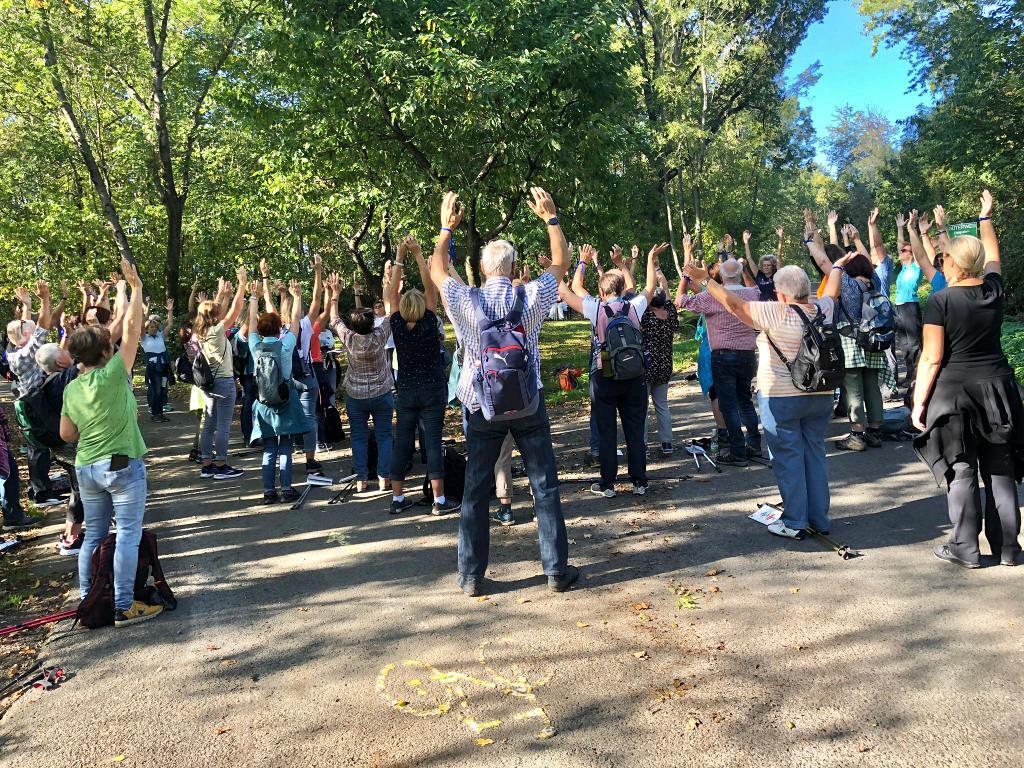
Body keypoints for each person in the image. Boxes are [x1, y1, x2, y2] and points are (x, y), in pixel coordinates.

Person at [430, 187, 576, 597]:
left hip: (481, 405)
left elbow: (437, 269)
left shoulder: (464, 298)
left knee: (475, 490)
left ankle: (471, 577)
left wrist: (445, 228)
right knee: (544, 485)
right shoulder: (532, 295)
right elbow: (561, 261)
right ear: (513, 268)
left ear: (481, 267)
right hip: (528, 401)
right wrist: (550, 219)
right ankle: (555, 571)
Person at [686, 258, 836, 540]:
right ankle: (819, 518)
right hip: (821, 394)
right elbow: (833, 289)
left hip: (782, 398)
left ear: (781, 293)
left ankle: (795, 521)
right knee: (815, 454)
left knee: (788, 458)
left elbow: (734, 305)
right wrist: (836, 267)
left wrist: (706, 280)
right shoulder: (822, 308)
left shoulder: (774, 312)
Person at [913, 191, 1022, 568]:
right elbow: (994, 257)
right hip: (998, 390)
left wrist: (918, 403)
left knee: (961, 470)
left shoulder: (940, 301)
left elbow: (932, 358)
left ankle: (965, 548)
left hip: (954, 394)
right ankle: (1009, 549)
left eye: (944, 257)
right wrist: (985, 217)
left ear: (952, 263)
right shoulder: (993, 290)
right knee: (1001, 470)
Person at [59, 258, 163, 627]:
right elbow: (132, 329)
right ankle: (122, 605)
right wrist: (135, 287)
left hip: (86, 468)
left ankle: (89, 599)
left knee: (93, 536)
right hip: (121, 466)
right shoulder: (116, 373)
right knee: (128, 535)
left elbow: (66, 435)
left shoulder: (72, 388)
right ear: (106, 353)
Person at [560, 241, 665, 497]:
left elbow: (567, 291)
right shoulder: (634, 305)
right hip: (635, 376)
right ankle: (639, 481)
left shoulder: (596, 307)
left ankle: (608, 484)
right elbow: (650, 287)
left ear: (601, 290)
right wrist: (649, 259)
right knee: (635, 430)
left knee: (606, 431)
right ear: (621, 288)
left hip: (604, 375)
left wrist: (575, 262)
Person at [382, 237, 461, 517]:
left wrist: (400, 256)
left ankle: (397, 498)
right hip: (432, 389)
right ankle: (439, 501)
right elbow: (430, 288)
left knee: (402, 442)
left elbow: (392, 294)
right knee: (433, 442)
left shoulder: (396, 324)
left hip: (406, 391)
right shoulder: (429, 321)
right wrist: (418, 255)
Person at [676, 241, 762, 466]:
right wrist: (744, 270)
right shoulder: (752, 294)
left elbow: (680, 301)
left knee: (728, 404)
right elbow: (755, 287)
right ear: (740, 275)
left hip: (723, 355)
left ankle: (737, 451)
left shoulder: (711, 296)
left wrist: (686, 276)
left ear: (721, 277)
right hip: (747, 354)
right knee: (745, 400)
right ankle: (754, 444)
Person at [246, 279, 309, 504]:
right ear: (278, 327)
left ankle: (268, 491)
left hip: (263, 404)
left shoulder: (255, 346)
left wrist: (254, 297)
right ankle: (286, 489)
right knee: (285, 446)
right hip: (285, 400)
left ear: (261, 329)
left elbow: (251, 324)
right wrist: (297, 296)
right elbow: (296, 321)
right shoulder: (285, 345)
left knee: (269, 448)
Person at [330, 278, 394, 494]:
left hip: (356, 396)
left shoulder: (349, 338)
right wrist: (389, 287)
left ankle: (361, 479)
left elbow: (334, 319)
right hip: (381, 392)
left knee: (358, 437)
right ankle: (384, 477)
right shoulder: (380, 335)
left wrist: (335, 294)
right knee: (384, 436)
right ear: (372, 323)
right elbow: (391, 313)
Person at [819, 250, 888, 451]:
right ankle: (875, 432)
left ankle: (856, 435)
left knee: (853, 388)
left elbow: (824, 262)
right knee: (872, 386)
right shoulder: (875, 282)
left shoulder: (847, 283)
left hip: (850, 339)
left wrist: (810, 243)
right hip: (873, 339)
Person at [6, 282, 62, 508]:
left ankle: (37, 488)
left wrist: (27, 306)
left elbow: (25, 329)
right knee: (39, 447)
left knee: (35, 446)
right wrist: (45, 299)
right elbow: (43, 326)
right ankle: (41, 493)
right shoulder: (27, 353)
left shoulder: (15, 350)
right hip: (34, 404)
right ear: (26, 336)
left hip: (29, 403)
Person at [194, 268, 247, 480]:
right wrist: (241, 285)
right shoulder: (217, 331)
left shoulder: (201, 332)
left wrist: (221, 295)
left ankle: (207, 464)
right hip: (224, 382)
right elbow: (235, 309)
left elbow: (216, 312)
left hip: (209, 384)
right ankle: (221, 464)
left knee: (209, 423)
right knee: (223, 425)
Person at [34, 343, 84, 553]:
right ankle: (72, 539)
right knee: (81, 491)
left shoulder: (46, 379)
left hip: (60, 447)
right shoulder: (63, 379)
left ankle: (70, 533)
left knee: (77, 489)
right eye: (62, 349)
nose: (67, 349)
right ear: (60, 361)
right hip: (70, 446)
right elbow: (93, 355)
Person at [641, 279, 678, 455]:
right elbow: (668, 298)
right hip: (664, 367)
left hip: (646, 367)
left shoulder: (646, 317)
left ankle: (643, 445)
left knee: (642, 408)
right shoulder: (670, 315)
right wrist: (661, 277)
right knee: (662, 406)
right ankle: (667, 442)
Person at [891, 209, 924, 387]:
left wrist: (913, 228)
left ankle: (919, 377)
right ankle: (910, 375)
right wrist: (900, 228)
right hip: (899, 307)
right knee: (903, 344)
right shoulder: (904, 268)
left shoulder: (916, 266)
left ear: (911, 254)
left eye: (904, 250)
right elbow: (899, 245)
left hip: (910, 306)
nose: (901, 252)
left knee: (913, 343)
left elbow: (918, 251)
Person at [141, 301, 175, 423]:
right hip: (153, 367)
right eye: (151, 327)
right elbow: (141, 325)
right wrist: (146, 311)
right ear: (147, 328)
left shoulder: (160, 336)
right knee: (157, 390)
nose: (154, 329)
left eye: (155, 327)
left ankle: (160, 413)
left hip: (164, 366)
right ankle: (155, 413)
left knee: (162, 389)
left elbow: (170, 324)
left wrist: (170, 311)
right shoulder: (144, 338)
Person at [743, 226, 784, 301]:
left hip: (775, 305)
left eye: (768, 265)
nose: (766, 267)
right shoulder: (759, 275)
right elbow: (749, 258)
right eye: (764, 265)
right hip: (762, 305)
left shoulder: (777, 274)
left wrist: (780, 238)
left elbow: (779, 256)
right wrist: (746, 242)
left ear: (773, 266)